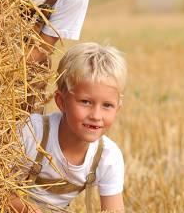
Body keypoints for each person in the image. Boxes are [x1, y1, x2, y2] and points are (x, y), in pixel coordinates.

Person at [11, 42, 127, 213]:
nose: (96, 115)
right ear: (61, 101)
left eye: (107, 105)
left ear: (118, 109)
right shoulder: (32, 134)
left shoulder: (107, 157)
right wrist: (25, 208)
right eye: (85, 102)